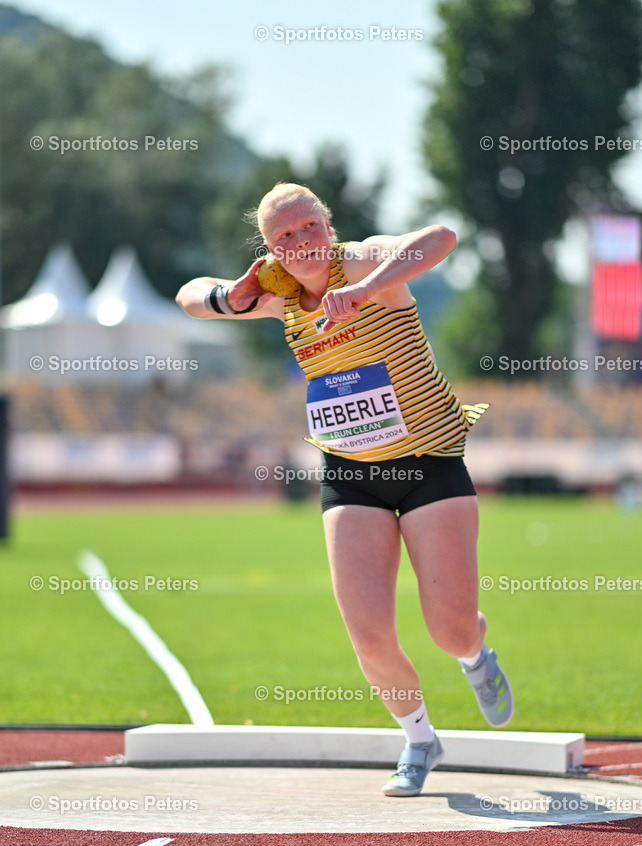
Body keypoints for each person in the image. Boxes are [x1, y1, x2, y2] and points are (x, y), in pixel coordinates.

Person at [176, 182, 513, 797]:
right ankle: (418, 740)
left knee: (451, 630)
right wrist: (231, 296)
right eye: (283, 236)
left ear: (327, 225)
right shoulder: (277, 295)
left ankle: (474, 655)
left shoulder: (363, 263)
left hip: (426, 463)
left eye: (308, 226)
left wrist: (360, 290)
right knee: (369, 633)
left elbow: (441, 237)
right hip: (350, 473)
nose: (299, 242)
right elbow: (189, 298)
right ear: (270, 249)